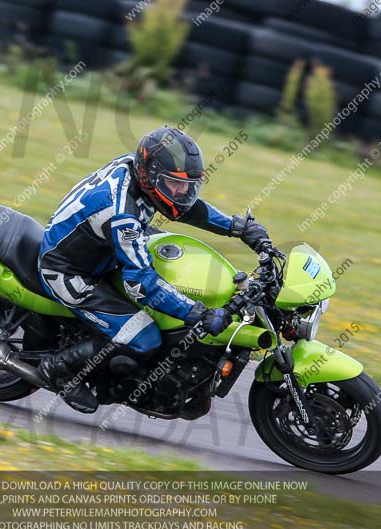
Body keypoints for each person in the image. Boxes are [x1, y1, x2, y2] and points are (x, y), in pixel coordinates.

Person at [37, 126, 273, 413]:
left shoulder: (138, 169)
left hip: (102, 254)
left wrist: (239, 228)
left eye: (188, 185)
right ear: (150, 176)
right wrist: (199, 313)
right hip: (70, 272)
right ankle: (58, 368)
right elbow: (141, 283)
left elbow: (186, 207)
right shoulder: (123, 214)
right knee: (144, 336)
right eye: (174, 185)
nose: (182, 192)